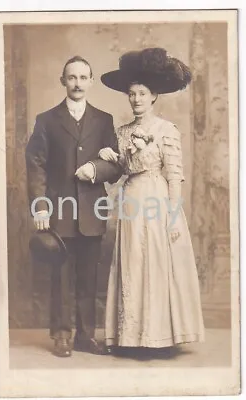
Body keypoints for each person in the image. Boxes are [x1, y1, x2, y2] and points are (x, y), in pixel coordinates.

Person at [99, 48, 205, 351]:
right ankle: (131, 336)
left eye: (142, 93)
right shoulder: (121, 132)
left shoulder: (166, 130)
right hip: (131, 202)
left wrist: (173, 217)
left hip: (158, 202)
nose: (136, 99)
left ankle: (158, 336)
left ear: (154, 95)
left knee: (156, 264)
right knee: (132, 263)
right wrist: (109, 157)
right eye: (132, 94)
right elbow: (120, 170)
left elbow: (174, 176)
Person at [25, 56, 121, 357]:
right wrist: (40, 207)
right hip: (59, 211)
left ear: (91, 81)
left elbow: (116, 164)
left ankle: (86, 336)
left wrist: (96, 169)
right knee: (62, 276)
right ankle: (62, 336)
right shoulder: (47, 119)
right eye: (72, 77)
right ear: (62, 81)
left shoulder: (104, 120)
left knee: (89, 278)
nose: (77, 83)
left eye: (83, 77)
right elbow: (35, 164)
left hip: (92, 211)